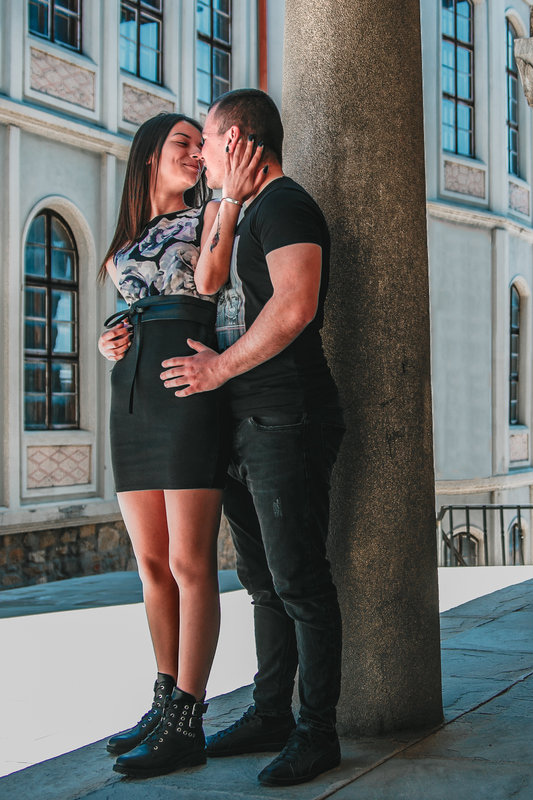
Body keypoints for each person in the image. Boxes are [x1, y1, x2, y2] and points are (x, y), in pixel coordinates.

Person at [160, 89, 345, 787]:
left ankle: (317, 733)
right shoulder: (241, 210)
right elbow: (209, 288)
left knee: (299, 580)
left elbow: (295, 306)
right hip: (243, 419)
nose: (201, 156)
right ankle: (270, 715)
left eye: (207, 141)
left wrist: (217, 369)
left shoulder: (286, 205)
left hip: (287, 415)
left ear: (236, 140)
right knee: (262, 582)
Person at [97, 111, 263, 779]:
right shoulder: (124, 240)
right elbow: (134, 305)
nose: (196, 153)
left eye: (200, 144)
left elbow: (211, 282)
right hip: (131, 398)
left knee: (191, 564)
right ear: (148, 155)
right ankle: (163, 701)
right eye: (183, 143)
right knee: (152, 565)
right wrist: (110, 338)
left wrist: (226, 199)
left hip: (189, 391)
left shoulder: (209, 215)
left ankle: (187, 720)